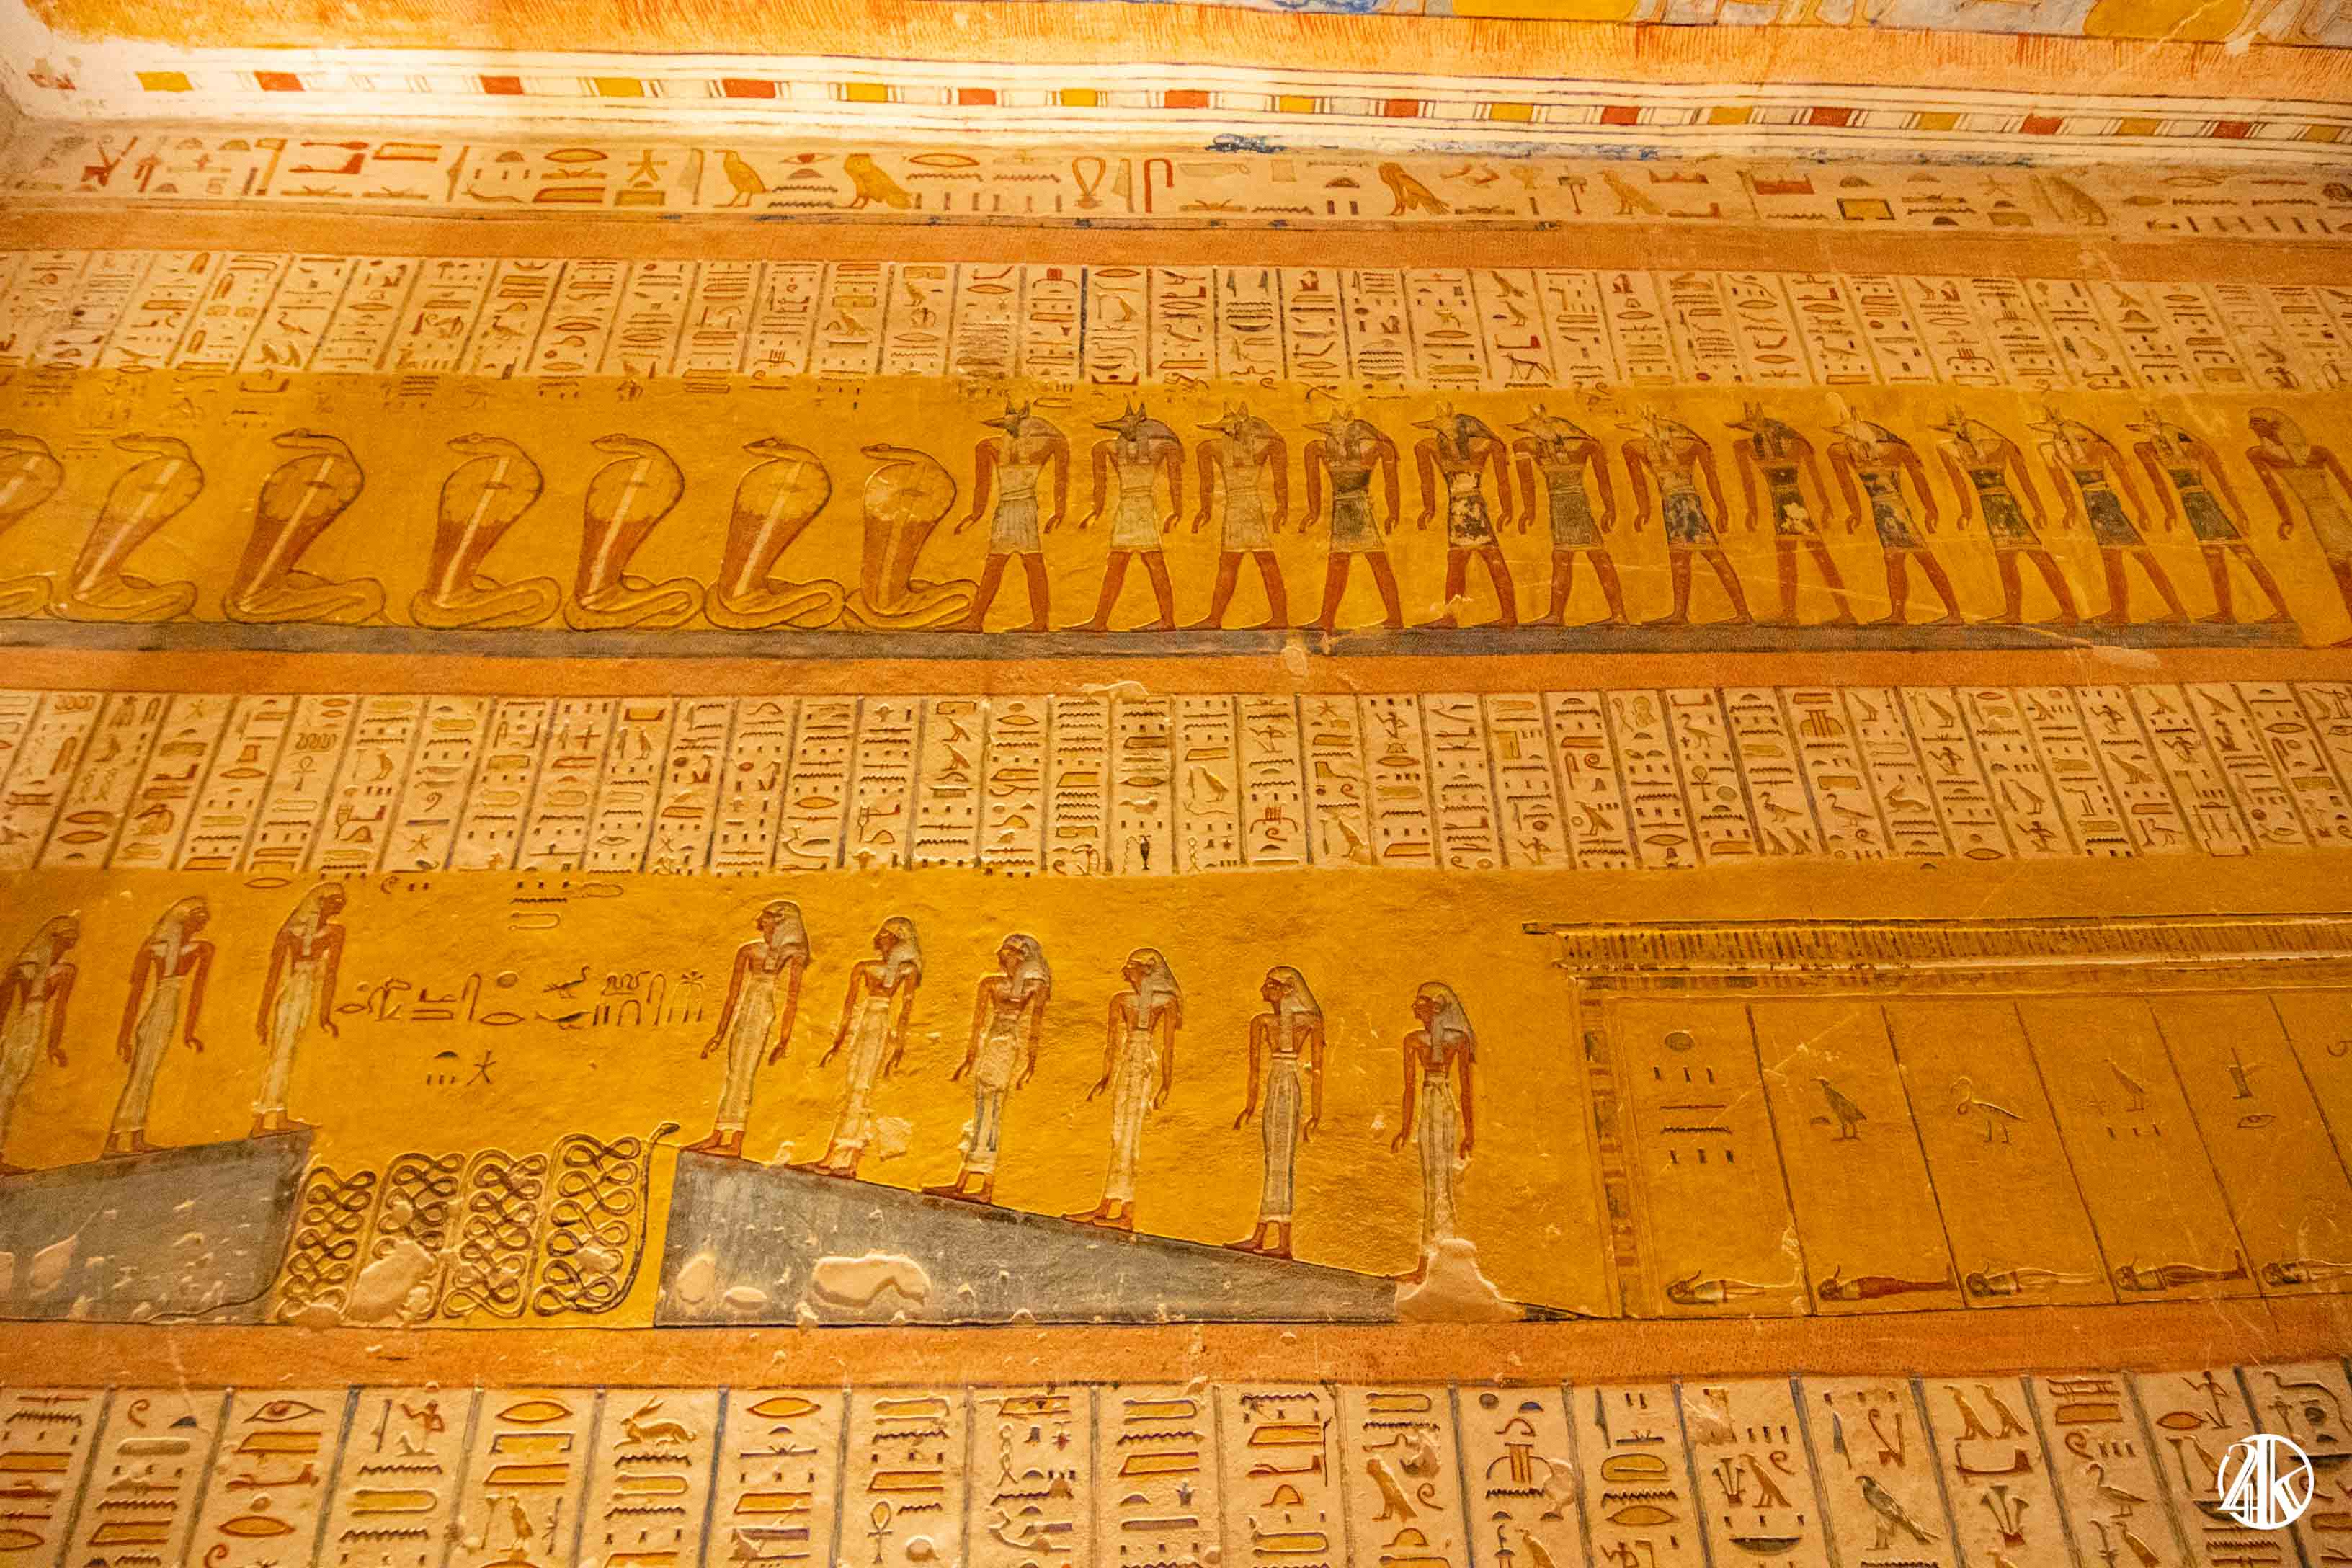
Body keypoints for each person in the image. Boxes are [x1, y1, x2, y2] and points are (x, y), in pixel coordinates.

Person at [2129, 412, 2291, 626]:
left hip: (2209, 506)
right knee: (2214, 559)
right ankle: (2226, 613)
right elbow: (2153, 472)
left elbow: (2223, 483)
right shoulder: (2161, 450)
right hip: (2194, 507)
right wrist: (2170, 511)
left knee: (2244, 555)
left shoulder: (2197, 449)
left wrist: (2239, 512)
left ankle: (2283, 612)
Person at [926, 934, 1051, 1204]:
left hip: (1007, 1046)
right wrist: (969, 1057)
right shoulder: (991, 983)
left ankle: (986, 1185)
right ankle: (965, 1180)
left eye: (1008, 952)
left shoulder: (1035, 986)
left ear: (1021, 956)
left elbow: (1035, 1028)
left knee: (992, 1110)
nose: (1002, 956)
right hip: (992, 1044)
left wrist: (1030, 1062)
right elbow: (977, 1024)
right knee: (983, 1108)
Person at [2034, 411, 2189, 627]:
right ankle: (2120, 612)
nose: (2069, 442)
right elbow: (2063, 483)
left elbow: (2126, 480)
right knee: (2112, 559)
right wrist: (2070, 509)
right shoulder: (2062, 451)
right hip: (2095, 507)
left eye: (2074, 438)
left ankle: (2177, 610)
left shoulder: (2099, 449)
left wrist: (2141, 509)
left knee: (2140, 555)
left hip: (2106, 505)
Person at [794, 917, 922, 1178]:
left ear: (897, 940)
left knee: (862, 1090)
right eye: (881, 935)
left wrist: (899, 1046)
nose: (880, 939)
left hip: (880, 1025)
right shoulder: (864, 967)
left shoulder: (906, 970)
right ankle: (842, 1158)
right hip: (864, 1023)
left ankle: (844, 1157)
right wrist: (837, 1042)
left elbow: (905, 1011)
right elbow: (848, 1007)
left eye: (886, 935)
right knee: (853, 1086)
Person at [1065, 948, 1182, 1232]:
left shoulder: (1165, 1002)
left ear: (1146, 970)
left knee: (1130, 1136)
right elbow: (1112, 1043)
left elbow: (1168, 1048)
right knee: (1119, 1134)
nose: (1127, 974)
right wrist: (1105, 1077)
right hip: (1127, 1064)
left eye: (1132, 968)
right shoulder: (1121, 1000)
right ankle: (1108, 1204)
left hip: (1142, 1066)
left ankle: (1125, 1209)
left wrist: (1166, 1083)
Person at [685, 900, 809, 1159]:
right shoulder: (749, 950)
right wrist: (719, 1034)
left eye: (769, 918)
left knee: (745, 1073)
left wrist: (784, 1039)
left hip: (763, 1011)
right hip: (747, 1008)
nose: (763, 922)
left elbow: (792, 998)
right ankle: (718, 1133)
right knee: (735, 1071)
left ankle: (736, 1140)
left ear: (782, 922)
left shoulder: (793, 953)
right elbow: (733, 995)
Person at [1933, 409, 2079, 625]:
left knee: (2036, 555)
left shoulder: (2002, 446)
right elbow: (1960, 484)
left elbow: (2024, 480)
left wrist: (2038, 508)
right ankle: (2014, 613)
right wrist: (1966, 511)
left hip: (2007, 508)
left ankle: (2069, 611)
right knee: (2006, 559)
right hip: (1992, 509)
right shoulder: (1953, 450)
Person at [1827, 412, 1965, 628]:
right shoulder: (1849, 450)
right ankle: (1898, 614)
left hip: (1896, 511)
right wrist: (1855, 511)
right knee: (1894, 560)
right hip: (1883, 511)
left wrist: (1931, 509)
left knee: (1923, 558)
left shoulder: (1894, 450)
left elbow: (1919, 480)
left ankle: (1954, 613)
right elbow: (1846, 483)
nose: (1846, 438)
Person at [1727, 404, 1854, 628]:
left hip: (1793, 507)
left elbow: (1815, 476)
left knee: (1816, 557)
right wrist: (1752, 510)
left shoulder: (1793, 445)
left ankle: (1844, 613)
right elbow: (1748, 481)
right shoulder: (1750, 446)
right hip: (1785, 507)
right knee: (1791, 558)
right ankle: (1790, 613)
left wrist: (1826, 505)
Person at [1228, 966, 1324, 1260]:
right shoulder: (1262, 1021)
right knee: (1274, 1159)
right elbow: (1254, 1070)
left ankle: (1279, 1238)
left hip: (1289, 1087)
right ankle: (1268, 1235)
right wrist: (1250, 1106)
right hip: (1275, 1086)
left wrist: (1315, 1114)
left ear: (1286, 990)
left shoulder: (1310, 1022)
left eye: (1270, 984)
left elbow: (1317, 1071)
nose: (1263, 989)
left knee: (1283, 1162)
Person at [105, 896, 213, 1159]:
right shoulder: (154, 950)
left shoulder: (202, 949)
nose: (203, 922)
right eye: (198, 917)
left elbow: (197, 993)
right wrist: (124, 1035)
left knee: (148, 1072)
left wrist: (189, 1031)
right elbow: (136, 994)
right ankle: (114, 1140)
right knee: (141, 1073)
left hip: (168, 1010)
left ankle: (135, 1136)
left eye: (204, 918)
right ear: (183, 919)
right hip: (154, 1010)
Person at [1623, 410, 1753, 626]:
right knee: (1680, 558)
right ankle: (1680, 614)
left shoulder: (1691, 446)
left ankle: (1743, 613)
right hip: (1673, 505)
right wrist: (1644, 509)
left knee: (1712, 555)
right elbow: (1637, 477)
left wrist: (1722, 509)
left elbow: (1711, 477)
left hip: (1685, 505)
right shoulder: (1656, 447)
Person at [953, 404, 1067, 632]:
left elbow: (1061, 458)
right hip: (1005, 508)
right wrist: (975, 513)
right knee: (996, 563)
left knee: (1031, 562)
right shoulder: (989, 446)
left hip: (1025, 507)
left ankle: (1039, 621)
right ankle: (976, 619)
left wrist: (1060, 510)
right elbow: (982, 485)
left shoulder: (1040, 447)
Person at [1389, 981, 1476, 1280]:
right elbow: (1409, 1088)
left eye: (1421, 1004)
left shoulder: (1458, 1040)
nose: (1415, 1010)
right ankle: (1428, 1262)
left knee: (1443, 1183)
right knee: (1432, 1183)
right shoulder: (1413, 1040)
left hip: (1444, 1104)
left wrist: (1470, 1133)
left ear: (1436, 1008)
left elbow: (1466, 1090)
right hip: (1429, 1104)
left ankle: (1436, 1262)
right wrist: (1404, 1128)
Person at [2247, 407, 2352, 643]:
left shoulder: (2319, 452)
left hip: (2338, 512)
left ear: (2275, 424)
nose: (2252, 427)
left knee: (2343, 570)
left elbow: (2347, 484)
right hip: (2319, 518)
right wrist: (2286, 518)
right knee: (2342, 573)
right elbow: (2272, 488)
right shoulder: (2261, 454)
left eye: (2257, 422)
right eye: (2252, 423)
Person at [1512, 407, 1624, 626]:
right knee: (1567, 557)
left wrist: (1610, 508)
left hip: (1574, 504)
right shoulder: (1536, 446)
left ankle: (1617, 614)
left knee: (1591, 555)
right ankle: (1558, 614)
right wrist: (1529, 510)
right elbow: (1526, 478)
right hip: (1560, 505)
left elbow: (1603, 478)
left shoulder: (1584, 445)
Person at [1075, 406, 1183, 631]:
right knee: (1117, 563)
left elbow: (1175, 479)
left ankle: (1167, 619)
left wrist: (1177, 510)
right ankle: (1100, 620)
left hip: (1144, 507)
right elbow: (1100, 484)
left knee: (1154, 561)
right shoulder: (1108, 447)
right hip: (1126, 508)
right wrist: (1096, 510)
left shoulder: (1162, 446)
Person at [251, 884, 347, 1139]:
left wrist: (325, 1015)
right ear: (320, 903)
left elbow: (331, 975)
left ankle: (273, 1115)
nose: (340, 904)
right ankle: (264, 1117)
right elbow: (273, 976)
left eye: (341, 901)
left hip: (307, 992)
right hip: (292, 991)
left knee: (287, 1051)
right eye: (335, 900)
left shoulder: (335, 932)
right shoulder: (291, 933)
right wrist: (262, 1017)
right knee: (280, 1051)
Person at [1412, 409, 1518, 628]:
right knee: (1460, 560)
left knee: (1488, 557)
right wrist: (1429, 507)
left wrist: (1507, 509)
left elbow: (1503, 481)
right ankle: (1451, 617)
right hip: (1459, 509)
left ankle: (1508, 615)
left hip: (1472, 508)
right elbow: (1423, 462)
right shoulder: (1439, 447)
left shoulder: (1482, 445)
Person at [1303, 411, 1406, 633]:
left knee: (1375, 560)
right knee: (1339, 562)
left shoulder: (1372, 448)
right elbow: (1313, 482)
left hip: (1359, 507)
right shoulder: (1320, 448)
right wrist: (1314, 512)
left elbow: (1391, 481)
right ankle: (1326, 619)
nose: (1338, 432)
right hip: (1342, 508)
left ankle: (1395, 617)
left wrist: (1394, 512)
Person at [1189, 406, 1290, 630]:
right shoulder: (1214, 447)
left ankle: (1279, 616)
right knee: (1237, 562)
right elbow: (1207, 484)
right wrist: (1205, 510)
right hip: (1241, 507)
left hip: (1246, 507)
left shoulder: (1220, 447)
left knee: (1258, 560)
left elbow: (1280, 480)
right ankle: (1216, 618)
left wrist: (1282, 508)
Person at [0, 915, 78, 1175]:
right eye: (64, 941)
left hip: (34, 1028)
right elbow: (4, 1004)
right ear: (52, 939)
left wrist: (53, 1045)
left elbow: (59, 1011)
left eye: (71, 943)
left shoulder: (65, 971)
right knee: (5, 1087)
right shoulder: (25, 967)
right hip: (17, 1027)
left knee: (11, 1088)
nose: (65, 948)